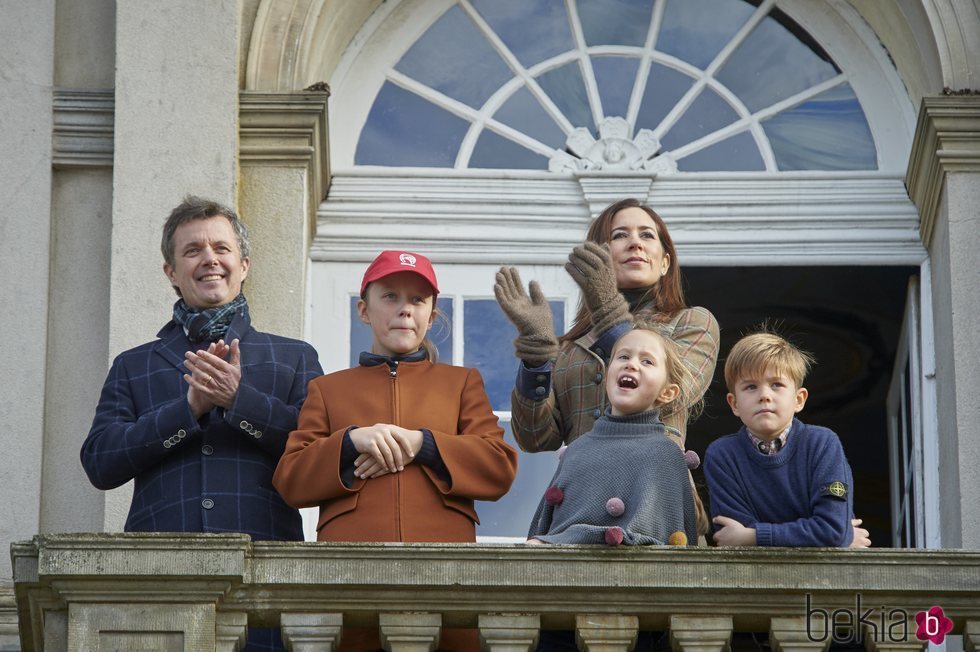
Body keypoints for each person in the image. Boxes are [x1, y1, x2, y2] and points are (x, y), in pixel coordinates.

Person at [81, 196, 322, 651]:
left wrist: (239, 401)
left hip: (266, 584)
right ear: (171, 272)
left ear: (244, 264)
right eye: (192, 251)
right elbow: (100, 461)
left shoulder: (294, 356)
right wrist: (185, 412)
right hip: (158, 584)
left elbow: (321, 455)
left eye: (221, 248)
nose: (209, 259)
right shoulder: (134, 365)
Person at [273, 249, 518, 651]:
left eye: (417, 300)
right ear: (363, 310)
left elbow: (500, 466)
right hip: (349, 584)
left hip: (446, 582)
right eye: (390, 296)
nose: (405, 310)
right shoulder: (328, 389)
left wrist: (423, 444)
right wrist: (352, 441)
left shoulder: (461, 383)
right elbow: (291, 480)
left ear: (431, 315)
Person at [494, 197, 719, 536]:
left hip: (653, 495)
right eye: (619, 235)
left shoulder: (692, 322)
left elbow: (678, 391)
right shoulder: (569, 349)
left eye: (647, 235)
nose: (635, 243)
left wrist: (607, 308)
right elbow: (535, 438)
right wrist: (537, 357)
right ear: (598, 254)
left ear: (664, 263)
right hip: (580, 499)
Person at [526, 322, 699, 547]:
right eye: (623, 357)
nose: (632, 365)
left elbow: (656, 542)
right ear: (608, 376)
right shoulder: (577, 449)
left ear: (667, 392)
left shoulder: (665, 455)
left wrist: (567, 538)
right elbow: (540, 535)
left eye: (647, 361)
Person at [703, 330, 871, 547]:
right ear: (734, 404)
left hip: (830, 575)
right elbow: (733, 538)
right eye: (751, 387)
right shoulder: (722, 455)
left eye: (776, 385)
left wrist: (754, 536)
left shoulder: (822, 444)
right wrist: (827, 536)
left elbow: (832, 530)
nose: (765, 395)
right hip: (755, 576)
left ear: (799, 399)